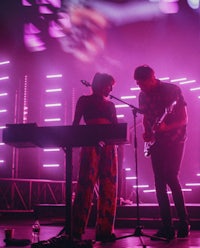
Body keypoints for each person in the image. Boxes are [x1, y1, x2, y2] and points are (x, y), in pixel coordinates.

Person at [134, 65, 190, 240]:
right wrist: (147, 131)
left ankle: (183, 222)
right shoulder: (142, 95)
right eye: (137, 84)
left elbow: (184, 119)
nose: (140, 87)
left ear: (152, 77)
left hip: (175, 140)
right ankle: (167, 226)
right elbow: (145, 117)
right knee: (159, 182)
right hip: (157, 141)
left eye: (142, 83)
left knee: (171, 177)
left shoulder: (172, 90)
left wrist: (167, 127)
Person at [72, 72, 118, 242]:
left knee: (109, 187)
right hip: (90, 144)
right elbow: (76, 124)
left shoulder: (111, 105)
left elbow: (116, 127)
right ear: (99, 84)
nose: (111, 89)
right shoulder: (84, 100)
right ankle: (76, 229)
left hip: (108, 146)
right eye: (109, 85)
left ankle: (105, 230)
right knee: (85, 185)